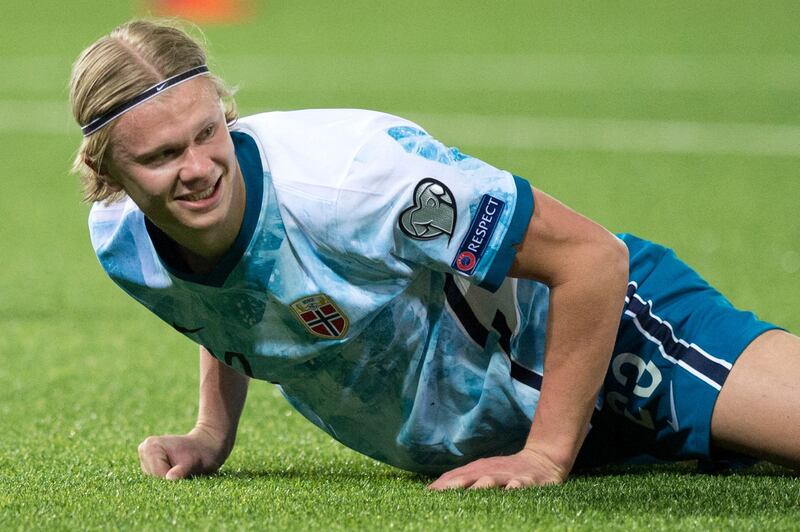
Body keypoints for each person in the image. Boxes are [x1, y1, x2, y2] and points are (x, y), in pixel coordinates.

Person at [70, 20, 800, 490]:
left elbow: (592, 260)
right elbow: (228, 300)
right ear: (109, 175)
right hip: (516, 431)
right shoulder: (125, 243)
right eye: (163, 156)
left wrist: (546, 455)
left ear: (224, 112)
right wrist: (211, 432)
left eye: (206, 133)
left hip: (608, 349)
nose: (198, 167)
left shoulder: (352, 180)